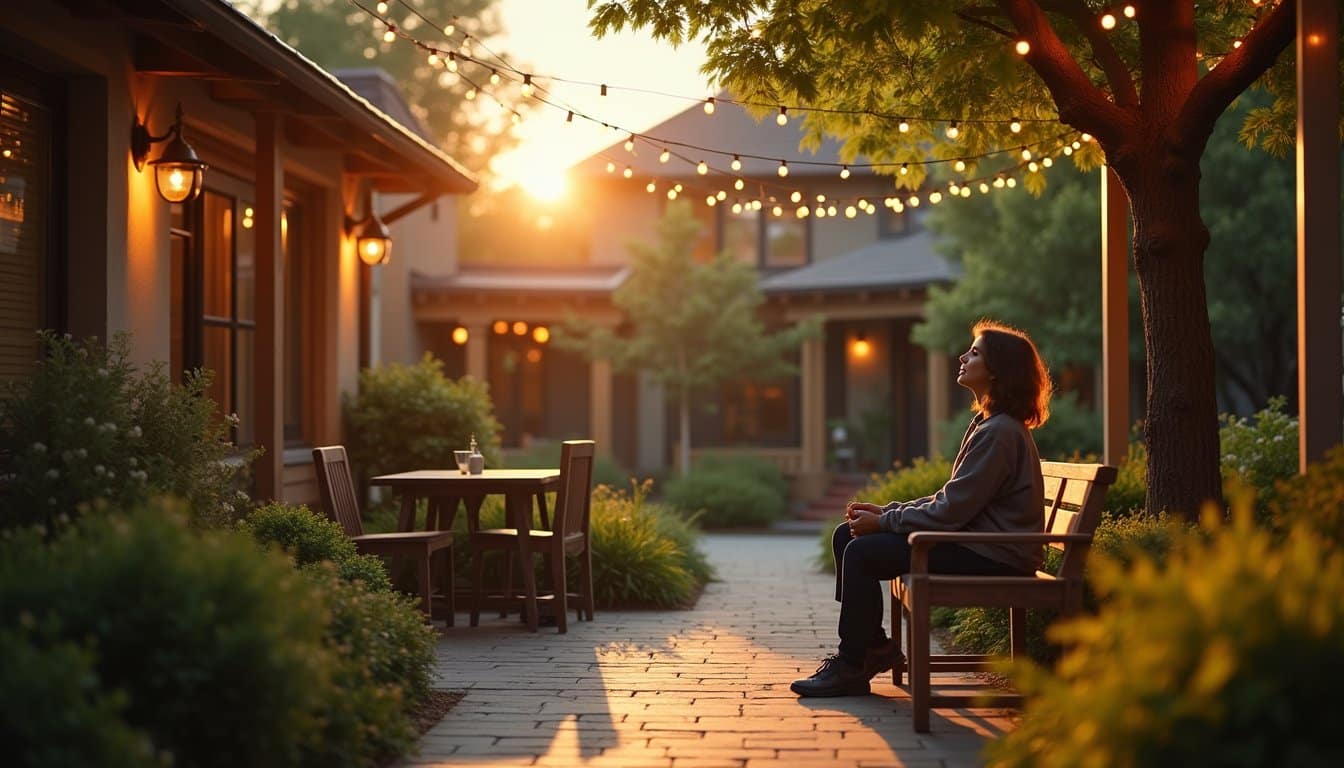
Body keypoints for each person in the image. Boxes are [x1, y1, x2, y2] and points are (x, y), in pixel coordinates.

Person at [791, 320, 1052, 697]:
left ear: (997, 370)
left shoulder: (1000, 432)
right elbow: (952, 498)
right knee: (846, 536)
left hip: (997, 554)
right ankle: (874, 647)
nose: (962, 357)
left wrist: (885, 521)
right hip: (981, 543)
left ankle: (852, 664)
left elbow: (950, 511)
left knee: (861, 552)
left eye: (974, 353)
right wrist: (887, 512)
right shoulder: (990, 425)